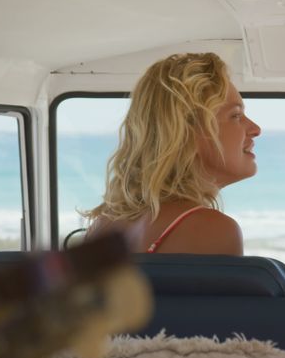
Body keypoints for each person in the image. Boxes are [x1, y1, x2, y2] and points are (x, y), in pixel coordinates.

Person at [84, 52, 261, 255]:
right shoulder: (211, 228)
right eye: (236, 116)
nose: (256, 128)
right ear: (187, 132)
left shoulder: (105, 222)